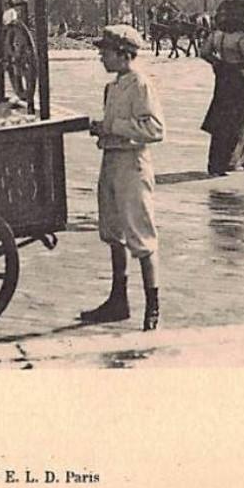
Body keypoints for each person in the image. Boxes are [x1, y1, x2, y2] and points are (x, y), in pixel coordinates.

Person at [80, 25, 166, 332]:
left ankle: (152, 307)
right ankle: (118, 301)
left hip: (133, 164)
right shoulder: (113, 86)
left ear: (124, 54)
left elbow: (155, 129)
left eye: (105, 51)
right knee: (113, 232)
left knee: (141, 236)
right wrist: (102, 129)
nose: (101, 55)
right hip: (112, 161)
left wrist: (112, 126)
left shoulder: (141, 84)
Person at [199, 0, 244, 175]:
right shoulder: (240, 38)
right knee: (239, 117)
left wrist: (217, 63)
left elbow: (204, 52)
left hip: (223, 76)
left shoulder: (216, 35)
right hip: (241, 78)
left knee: (222, 117)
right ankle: (229, 161)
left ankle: (225, 159)